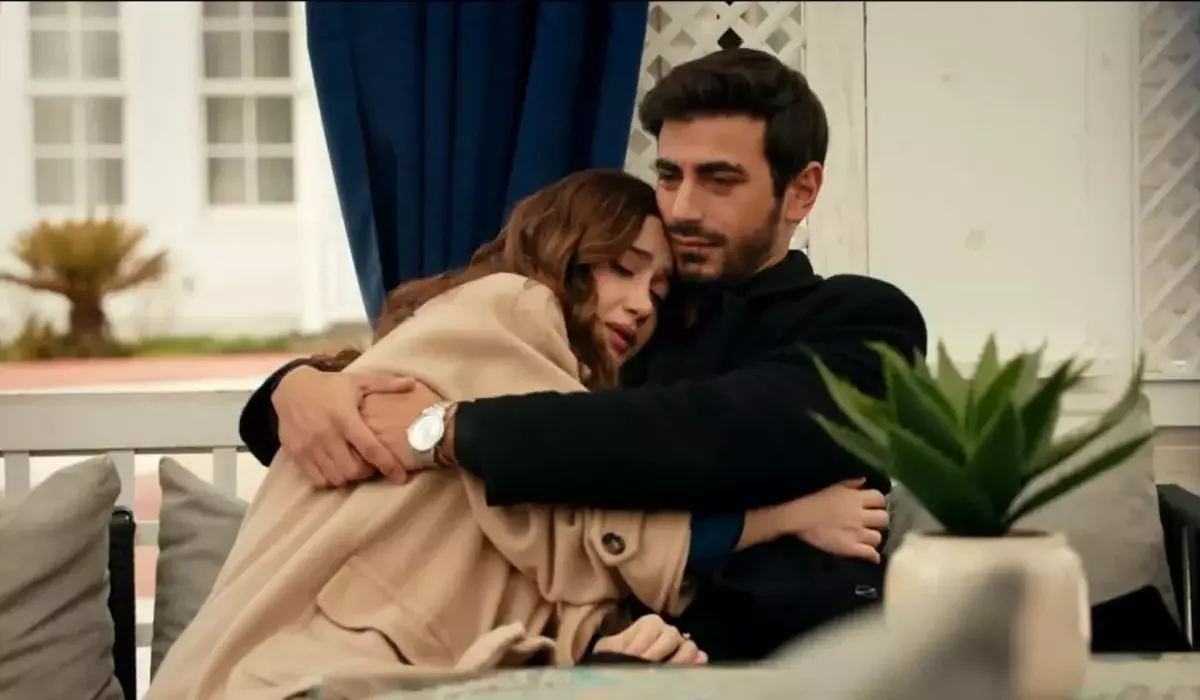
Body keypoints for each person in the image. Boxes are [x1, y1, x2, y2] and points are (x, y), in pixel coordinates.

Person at [240, 48, 927, 661]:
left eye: (719, 180)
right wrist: (294, 390)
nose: (683, 207)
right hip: (574, 657)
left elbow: (708, 435)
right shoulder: (616, 323)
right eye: (670, 176)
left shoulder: (861, 320)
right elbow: (426, 377)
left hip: (782, 664)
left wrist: (449, 430)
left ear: (801, 191)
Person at [148, 170, 889, 700]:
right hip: (311, 668)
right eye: (621, 270)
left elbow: (532, 537)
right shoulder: (514, 306)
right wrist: (789, 517)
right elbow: (588, 531)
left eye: (658, 291)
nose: (640, 305)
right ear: (565, 250)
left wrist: (607, 644)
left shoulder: (518, 357)